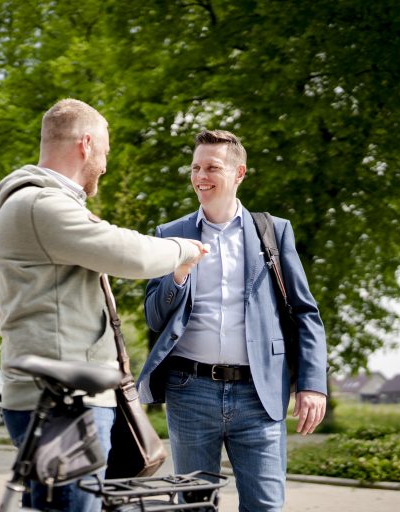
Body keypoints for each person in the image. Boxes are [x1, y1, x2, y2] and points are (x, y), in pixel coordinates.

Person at [0, 98, 205, 511]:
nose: (105, 165)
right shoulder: (40, 205)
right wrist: (185, 249)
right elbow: (127, 252)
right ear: (86, 144)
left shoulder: (42, 204)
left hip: (59, 401)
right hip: (62, 404)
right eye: (105, 151)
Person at [137, 129, 328, 511]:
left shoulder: (273, 232)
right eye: (195, 168)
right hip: (189, 390)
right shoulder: (170, 235)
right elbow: (155, 317)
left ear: (239, 173)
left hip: (260, 393)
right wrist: (179, 275)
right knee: (193, 506)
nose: (200, 176)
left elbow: (305, 312)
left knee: (265, 506)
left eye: (212, 167)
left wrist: (312, 384)